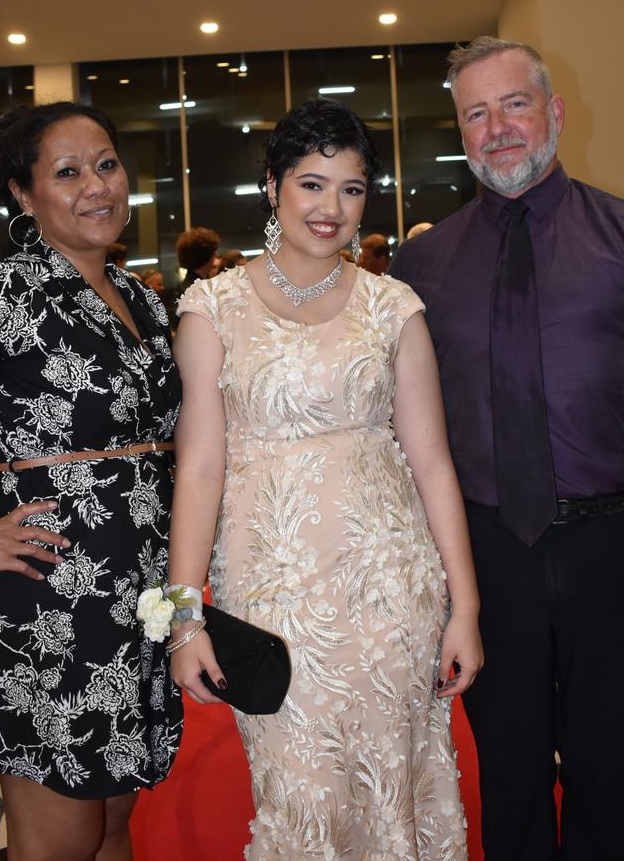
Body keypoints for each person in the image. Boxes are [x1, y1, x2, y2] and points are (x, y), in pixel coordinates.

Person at [167, 99, 482, 859]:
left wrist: (464, 607)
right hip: (272, 594)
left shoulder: (392, 304)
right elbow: (200, 467)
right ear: (273, 186)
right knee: (299, 793)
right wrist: (183, 618)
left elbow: (433, 461)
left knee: (397, 784)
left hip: (390, 587)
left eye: (351, 188)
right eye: (312, 184)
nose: (331, 208)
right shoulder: (211, 308)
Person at [390, 36, 624, 861]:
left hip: (611, 549)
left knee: (614, 769)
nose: (497, 129)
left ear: (554, 113)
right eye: (475, 114)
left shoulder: (620, 237)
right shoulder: (417, 267)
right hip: (488, 556)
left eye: (513, 105)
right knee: (509, 773)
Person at [0, 102, 182, 861]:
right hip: (48, 604)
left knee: (114, 825)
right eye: (67, 172)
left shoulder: (147, 301)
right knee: (60, 839)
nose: (97, 185)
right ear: (22, 195)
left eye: (105, 164)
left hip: (145, 601)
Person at [176, 226, 219, 292]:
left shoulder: (193, 284)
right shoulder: (195, 291)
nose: (216, 254)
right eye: (213, 251)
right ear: (205, 255)